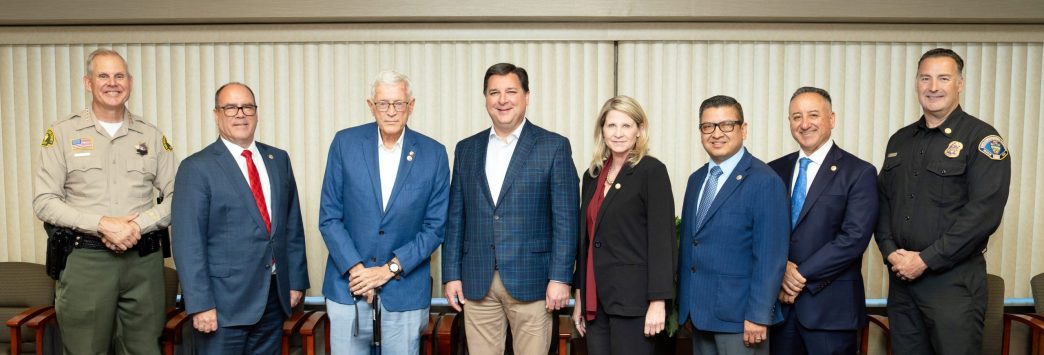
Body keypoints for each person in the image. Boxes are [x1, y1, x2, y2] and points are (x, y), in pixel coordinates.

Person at [33, 48, 174, 355]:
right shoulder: (62, 134)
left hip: (143, 262)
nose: (113, 83)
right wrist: (102, 224)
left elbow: (178, 197)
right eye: (103, 75)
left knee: (144, 350)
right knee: (86, 350)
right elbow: (45, 201)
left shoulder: (151, 136)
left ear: (131, 82)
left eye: (119, 75)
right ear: (88, 82)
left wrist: (138, 225)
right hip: (86, 261)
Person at [876, 48, 1011, 355]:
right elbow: (883, 202)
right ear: (916, 83)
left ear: (959, 84)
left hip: (953, 285)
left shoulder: (983, 139)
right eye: (925, 78)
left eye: (943, 78)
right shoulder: (900, 140)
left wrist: (925, 260)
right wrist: (890, 252)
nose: (933, 86)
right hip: (902, 284)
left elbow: (984, 214)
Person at [441, 62, 579, 355]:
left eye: (511, 91)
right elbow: (456, 218)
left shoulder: (553, 146)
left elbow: (566, 220)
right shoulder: (466, 149)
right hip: (477, 282)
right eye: (494, 92)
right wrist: (451, 274)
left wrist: (560, 277)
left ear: (527, 96)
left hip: (534, 282)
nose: (502, 100)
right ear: (486, 99)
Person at [171, 82, 309, 354]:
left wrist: (295, 281)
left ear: (256, 113)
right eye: (230, 107)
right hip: (222, 306)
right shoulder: (197, 167)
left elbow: (292, 226)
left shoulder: (277, 159)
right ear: (216, 114)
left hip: (272, 298)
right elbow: (188, 244)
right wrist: (200, 304)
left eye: (247, 107)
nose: (240, 114)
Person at [318, 70, 450, 354]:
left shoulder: (433, 154)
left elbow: (435, 228)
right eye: (383, 103)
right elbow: (329, 217)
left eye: (399, 104)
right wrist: (360, 272)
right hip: (348, 291)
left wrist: (387, 271)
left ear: (411, 105)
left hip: (404, 293)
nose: (391, 111)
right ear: (371, 105)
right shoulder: (345, 144)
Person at [766, 87, 878, 355]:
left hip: (831, 310)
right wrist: (780, 269)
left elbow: (853, 239)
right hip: (780, 309)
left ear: (832, 119)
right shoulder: (773, 171)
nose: (804, 124)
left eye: (813, 115)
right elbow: (763, 232)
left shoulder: (859, 172)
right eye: (796, 117)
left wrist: (798, 274)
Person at [677, 95, 789, 355]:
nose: (716, 133)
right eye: (708, 126)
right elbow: (691, 244)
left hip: (742, 319)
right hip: (700, 315)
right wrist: (687, 307)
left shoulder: (765, 181)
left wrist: (760, 315)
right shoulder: (696, 181)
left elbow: (771, 257)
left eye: (726, 125)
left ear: (743, 129)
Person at [570, 96, 675, 355]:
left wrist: (658, 302)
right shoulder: (592, 175)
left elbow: (662, 240)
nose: (618, 133)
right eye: (611, 126)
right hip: (596, 302)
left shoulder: (651, 171)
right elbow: (586, 241)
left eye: (626, 126)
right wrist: (580, 296)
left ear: (639, 130)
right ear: (602, 130)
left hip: (634, 302)